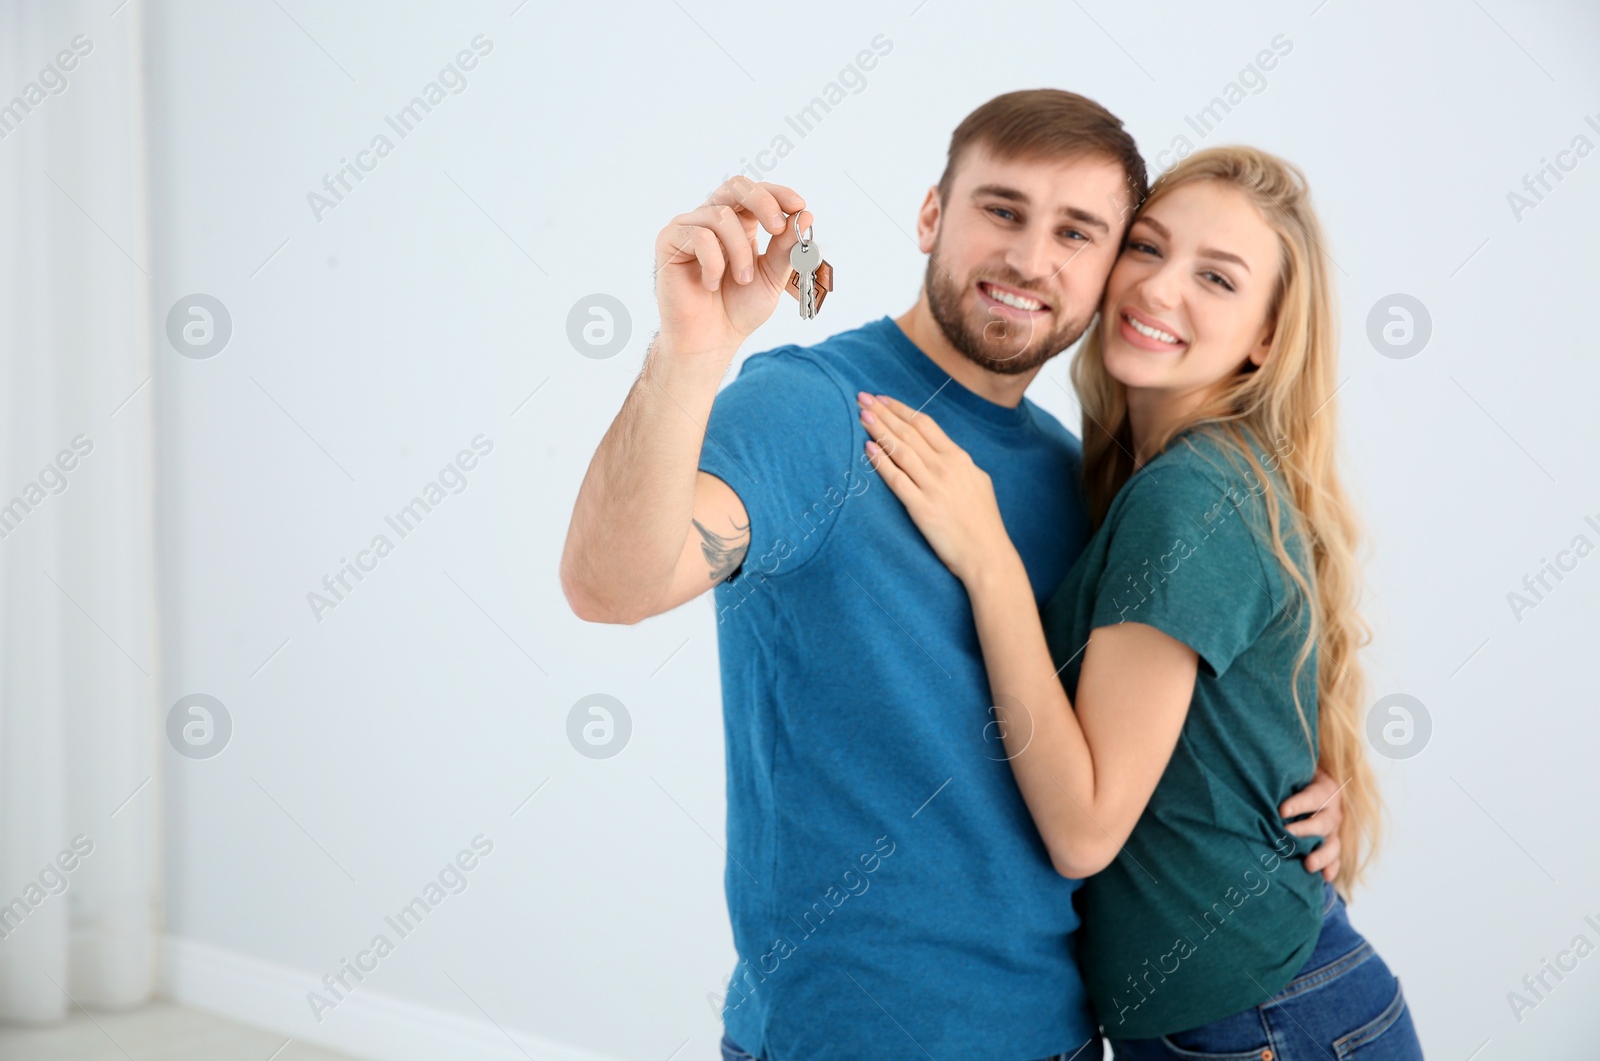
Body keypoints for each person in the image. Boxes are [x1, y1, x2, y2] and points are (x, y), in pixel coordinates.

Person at [560, 92, 1347, 1061]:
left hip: (1061, 1034)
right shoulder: (814, 410)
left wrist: (1289, 802)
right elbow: (611, 584)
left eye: (1078, 232)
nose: (1029, 258)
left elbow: (1128, 739)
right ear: (932, 213)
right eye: (1002, 210)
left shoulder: (1082, 479)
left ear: (1103, 271)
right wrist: (690, 353)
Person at [857, 145, 1424, 1058]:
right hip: (1258, 1014)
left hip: (1265, 1024)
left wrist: (989, 562)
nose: (1160, 290)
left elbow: (1084, 830)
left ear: (1267, 337)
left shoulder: (1191, 495)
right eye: (1148, 248)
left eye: (1216, 277)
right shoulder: (1167, 480)